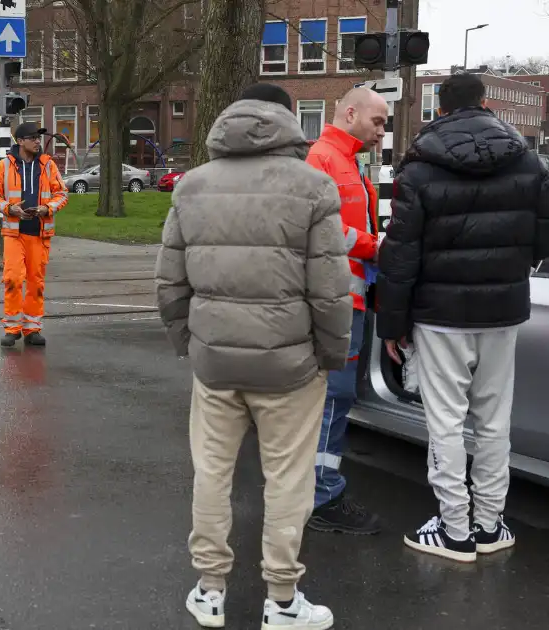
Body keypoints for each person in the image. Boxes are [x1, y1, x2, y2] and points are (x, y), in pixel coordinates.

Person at [157, 83, 350, 629]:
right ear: (289, 120)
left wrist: (189, 345)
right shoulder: (314, 188)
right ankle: (283, 600)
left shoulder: (191, 187)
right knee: (289, 479)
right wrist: (329, 355)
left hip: (215, 363)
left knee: (211, 473)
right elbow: (330, 289)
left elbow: (170, 283)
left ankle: (210, 588)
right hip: (291, 367)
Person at [377, 72, 549, 562]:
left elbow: (400, 254)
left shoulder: (418, 167)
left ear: (441, 109)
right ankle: (491, 525)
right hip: (504, 310)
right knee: (495, 422)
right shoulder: (528, 161)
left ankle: (454, 529)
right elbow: (542, 239)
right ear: (485, 103)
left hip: (440, 314)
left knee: (446, 423)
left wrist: (393, 325)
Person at [303, 86, 389, 535]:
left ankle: (316, 490)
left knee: (333, 399)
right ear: (350, 113)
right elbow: (325, 228)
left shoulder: (346, 159)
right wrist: (379, 247)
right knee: (333, 400)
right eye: (377, 121)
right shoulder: (325, 159)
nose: (382, 131)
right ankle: (322, 496)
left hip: (347, 299)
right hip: (335, 302)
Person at [0, 121, 68, 348]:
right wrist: (9, 208)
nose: (37, 141)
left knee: (35, 282)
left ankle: (32, 328)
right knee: (13, 278)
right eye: (32, 137)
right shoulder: (5, 165)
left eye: (38, 137)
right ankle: (12, 329)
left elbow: (62, 193)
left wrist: (46, 208)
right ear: (20, 141)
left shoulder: (48, 165)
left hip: (39, 233)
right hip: (14, 232)